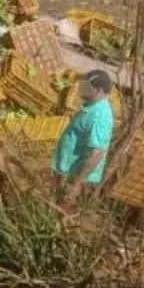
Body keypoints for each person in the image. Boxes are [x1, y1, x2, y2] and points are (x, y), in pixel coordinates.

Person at [52, 69, 115, 203]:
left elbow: (96, 154)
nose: (81, 90)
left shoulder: (100, 117)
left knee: (63, 207)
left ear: (97, 90)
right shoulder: (92, 105)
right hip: (67, 169)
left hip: (75, 176)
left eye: (85, 87)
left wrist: (76, 183)